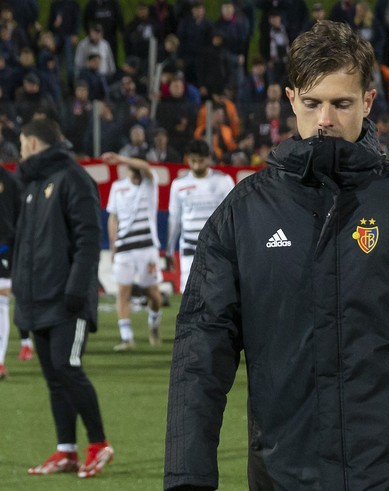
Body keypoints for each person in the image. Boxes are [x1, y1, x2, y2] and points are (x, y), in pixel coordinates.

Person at [164, 20, 389, 490]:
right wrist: (188, 475)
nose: (325, 119)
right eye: (312, 103)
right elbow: (200, 352)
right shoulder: (244, 213)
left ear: (367, 101)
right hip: (282, 475)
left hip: (385, 476)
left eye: (341, 103)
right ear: (290, 101)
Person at [12, 119, 114, 477]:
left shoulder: (74, 178)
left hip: (66, 300)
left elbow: (89, 239)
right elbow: (25, 245)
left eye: (23, 144)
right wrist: (20, 293)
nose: (20, 151)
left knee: (68, 369)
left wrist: (75, 288)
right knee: (54, 377)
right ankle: (66, 450)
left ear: (34, 143)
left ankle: (99, 444)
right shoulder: (33, 184)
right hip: (36, 300)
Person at [103, 152, 164, 350]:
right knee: (122, 292)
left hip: (147, 247)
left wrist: (121, 158)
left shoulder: (149, 183)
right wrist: (113, 245)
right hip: (124, 247)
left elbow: (145, 166)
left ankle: (154, 324)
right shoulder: (118, 187)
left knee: (154, 296)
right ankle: (127, 337)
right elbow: (113, 217)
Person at [166, 140, 235, 292]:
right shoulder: (178, 185)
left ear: (209, 158)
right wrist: (169, 250)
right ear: (188, 159)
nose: (197, 165)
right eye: (193, 161)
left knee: (216, 293)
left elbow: (232, 216)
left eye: (201, 161)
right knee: (189, 294)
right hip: (189, 246)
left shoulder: (223, 181)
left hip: (216, 247)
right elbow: (174, 219)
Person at [0, 164, 20, 379]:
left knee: (1, 302)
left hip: (3, 246)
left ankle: (0, 361)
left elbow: (19, 216)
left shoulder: (11, 181)